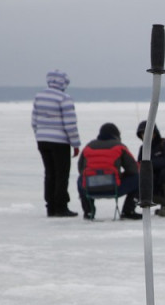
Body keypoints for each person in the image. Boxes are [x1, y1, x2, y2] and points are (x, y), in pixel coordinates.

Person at [31, 69, 82, 217]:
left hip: (42, 140)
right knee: (61, 174)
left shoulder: (39, 96)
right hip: (60, 142)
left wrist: (39, 136)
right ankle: (61, 207)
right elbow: (70, 124)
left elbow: (34, 121)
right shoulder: (64, 98)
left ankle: (50, 206)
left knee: (49, 173)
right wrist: (75, 144)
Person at [123, 121, 165, 218]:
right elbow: (141, 166)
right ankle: (130, 210)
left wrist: (150, 164)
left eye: (147, 133)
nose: (145, 136)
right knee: (139, 179)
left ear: (154, 133)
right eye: (142, 134)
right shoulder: (143, 148)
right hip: (155, 183)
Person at [76, 123, 139, 220]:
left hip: (90, 188)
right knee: (139, 179)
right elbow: (133, 169)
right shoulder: (119, 147)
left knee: (81, 179)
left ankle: (89, 211)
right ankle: (128, 211)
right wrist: (121, 175)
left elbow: (81, 169)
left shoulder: (88, 147)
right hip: (113, 188)